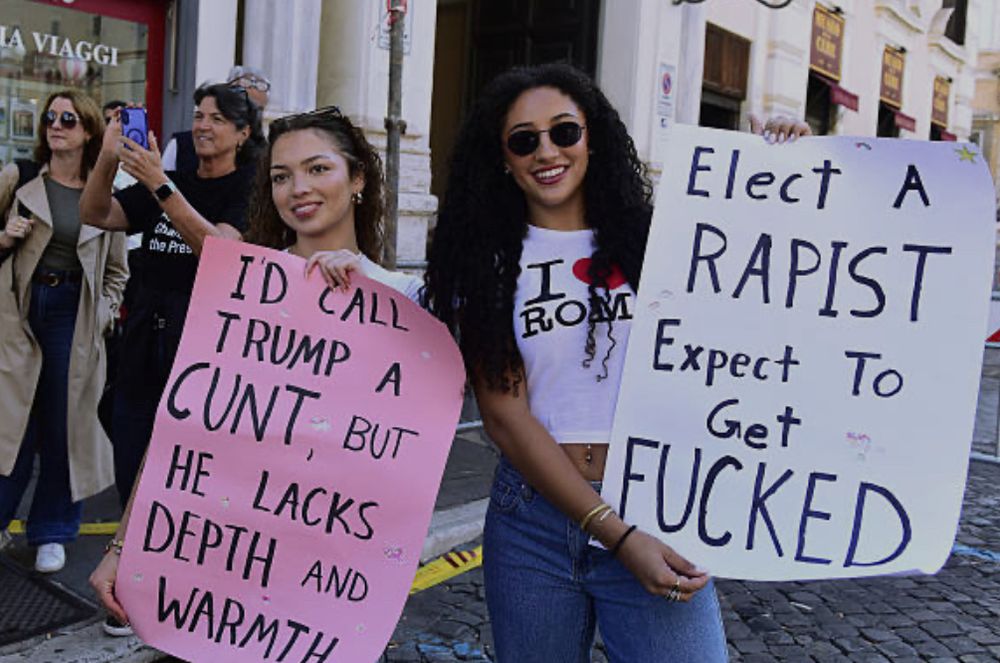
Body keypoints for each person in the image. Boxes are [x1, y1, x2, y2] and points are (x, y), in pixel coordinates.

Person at [424, 63, 810, 662]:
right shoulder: (486, 262)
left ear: (592, 137)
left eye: (564, 132)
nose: (546, 151)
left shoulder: (665, 242)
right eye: (523, 140)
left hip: (656, 506)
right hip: (533, 521)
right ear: (502, 158)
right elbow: (504, 417)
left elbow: (768, 294)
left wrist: (780, 169)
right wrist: (614, 532)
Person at [88, 104, 420, 632]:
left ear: (357, 177)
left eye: (318, 169)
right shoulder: (242, 290)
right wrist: (122, 545)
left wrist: (368, 298)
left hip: (324, 579)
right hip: (218, 560)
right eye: (281, 176)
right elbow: (183, 427)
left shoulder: (404, 300)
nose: (298, 189)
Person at [0, 90, 128, 572]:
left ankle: (52, 530)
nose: (56, 125)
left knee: (64, 423)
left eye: (68, 119)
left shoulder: (104, 192)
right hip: (20, 309)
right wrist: (5, 235)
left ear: (89, 131)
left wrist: (106, 311)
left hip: (75, 312)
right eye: (50, 118)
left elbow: (118, 270)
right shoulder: (18, 179)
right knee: (11, 423)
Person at [162, 66, 271, 172]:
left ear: (244, 133)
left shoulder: (263, 163)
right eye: (199, 116)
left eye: (257, 110)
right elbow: (164, 185)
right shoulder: (180, 146)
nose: (204, 126)